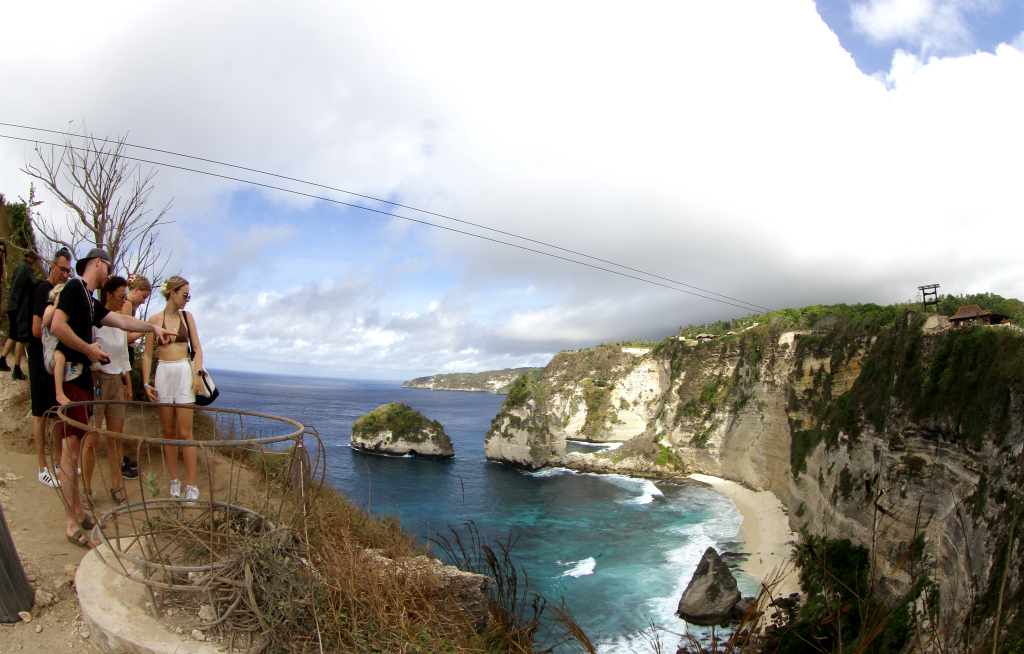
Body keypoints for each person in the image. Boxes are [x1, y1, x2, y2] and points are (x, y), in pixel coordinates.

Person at [50, 248, 172, 548]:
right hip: (71, 380)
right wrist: (88, 348)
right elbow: (57, 325)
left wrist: (153, 327)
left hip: (80, 381)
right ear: (97, 263)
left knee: (74, 449)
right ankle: (70, 522)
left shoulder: (89, 301)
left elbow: (123, 323)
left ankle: (77, 510)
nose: (109, 272)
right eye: (107, 266)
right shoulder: (74, 289)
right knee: (71, 452)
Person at [142, 275, 204, 503]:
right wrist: (146, 383)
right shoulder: (154, 320)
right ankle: (174, 481)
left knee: (186, 433)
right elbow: (148, 353)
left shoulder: (188, 318)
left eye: (189, 295)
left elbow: (197, 348)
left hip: (183, 372)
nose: (188, 299)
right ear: (172, 293)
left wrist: (197, 374)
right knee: (168, 432)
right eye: (185, 294)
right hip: (164, 372)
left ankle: (191, 485)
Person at [78, 276, 135, 509]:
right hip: (97, 382)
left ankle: (116, 487)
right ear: (109, 295)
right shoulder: (94, 321)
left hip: (116, 383)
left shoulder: (120, 322)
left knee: (116, 439)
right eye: (122, 296)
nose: (125, 300)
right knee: (92, 439)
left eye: (126, 296)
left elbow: (124, 357)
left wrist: (128, 383)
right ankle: (87, 490)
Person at [28, 248, 72, 487]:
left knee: (55, 414)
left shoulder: (59, 292)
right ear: (53, 266)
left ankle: (57, 462)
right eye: (62, 268)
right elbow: (36, 329)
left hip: (52, 360)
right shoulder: (43, 290)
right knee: (40, 414)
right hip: (38, 357)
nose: (65, 273)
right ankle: (42, 468)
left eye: (69, 270)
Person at [1, 249, 39, 379]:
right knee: (20, 337)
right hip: (20, 307)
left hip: (13, 305)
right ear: (30, 258)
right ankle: (17, 369)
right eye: (34, 259)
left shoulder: (18, 267)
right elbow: (30, 288)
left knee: (13, 334)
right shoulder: (28, 268)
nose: (34, 262)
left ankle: (2, 359)